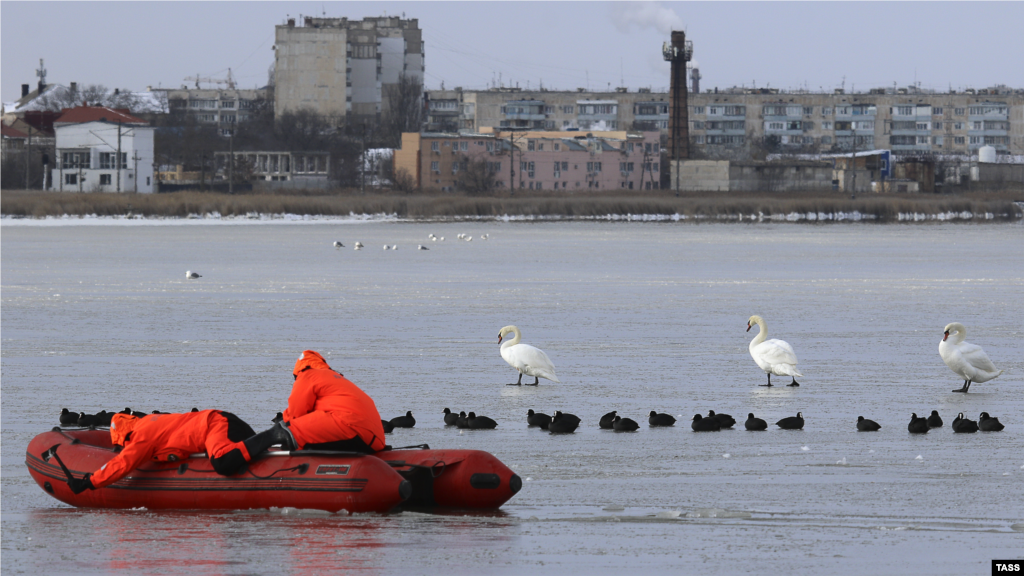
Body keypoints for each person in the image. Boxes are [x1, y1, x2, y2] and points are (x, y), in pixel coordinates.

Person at [67, 409, 288, 494]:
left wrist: (89, 482)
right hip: (224, 420)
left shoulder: (141, 437)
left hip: (216, 426)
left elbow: (123, 464)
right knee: (244, 455)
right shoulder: (150, 422)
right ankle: (283, 439)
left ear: (123, 437)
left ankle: (274, 433)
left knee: (222, 462)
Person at [272, 350, 386, 454]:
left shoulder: (307, 375)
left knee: (289, 432)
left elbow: (295, 414)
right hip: (376, 440)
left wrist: (282, 421)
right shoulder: (336, 378)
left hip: (353, 430)